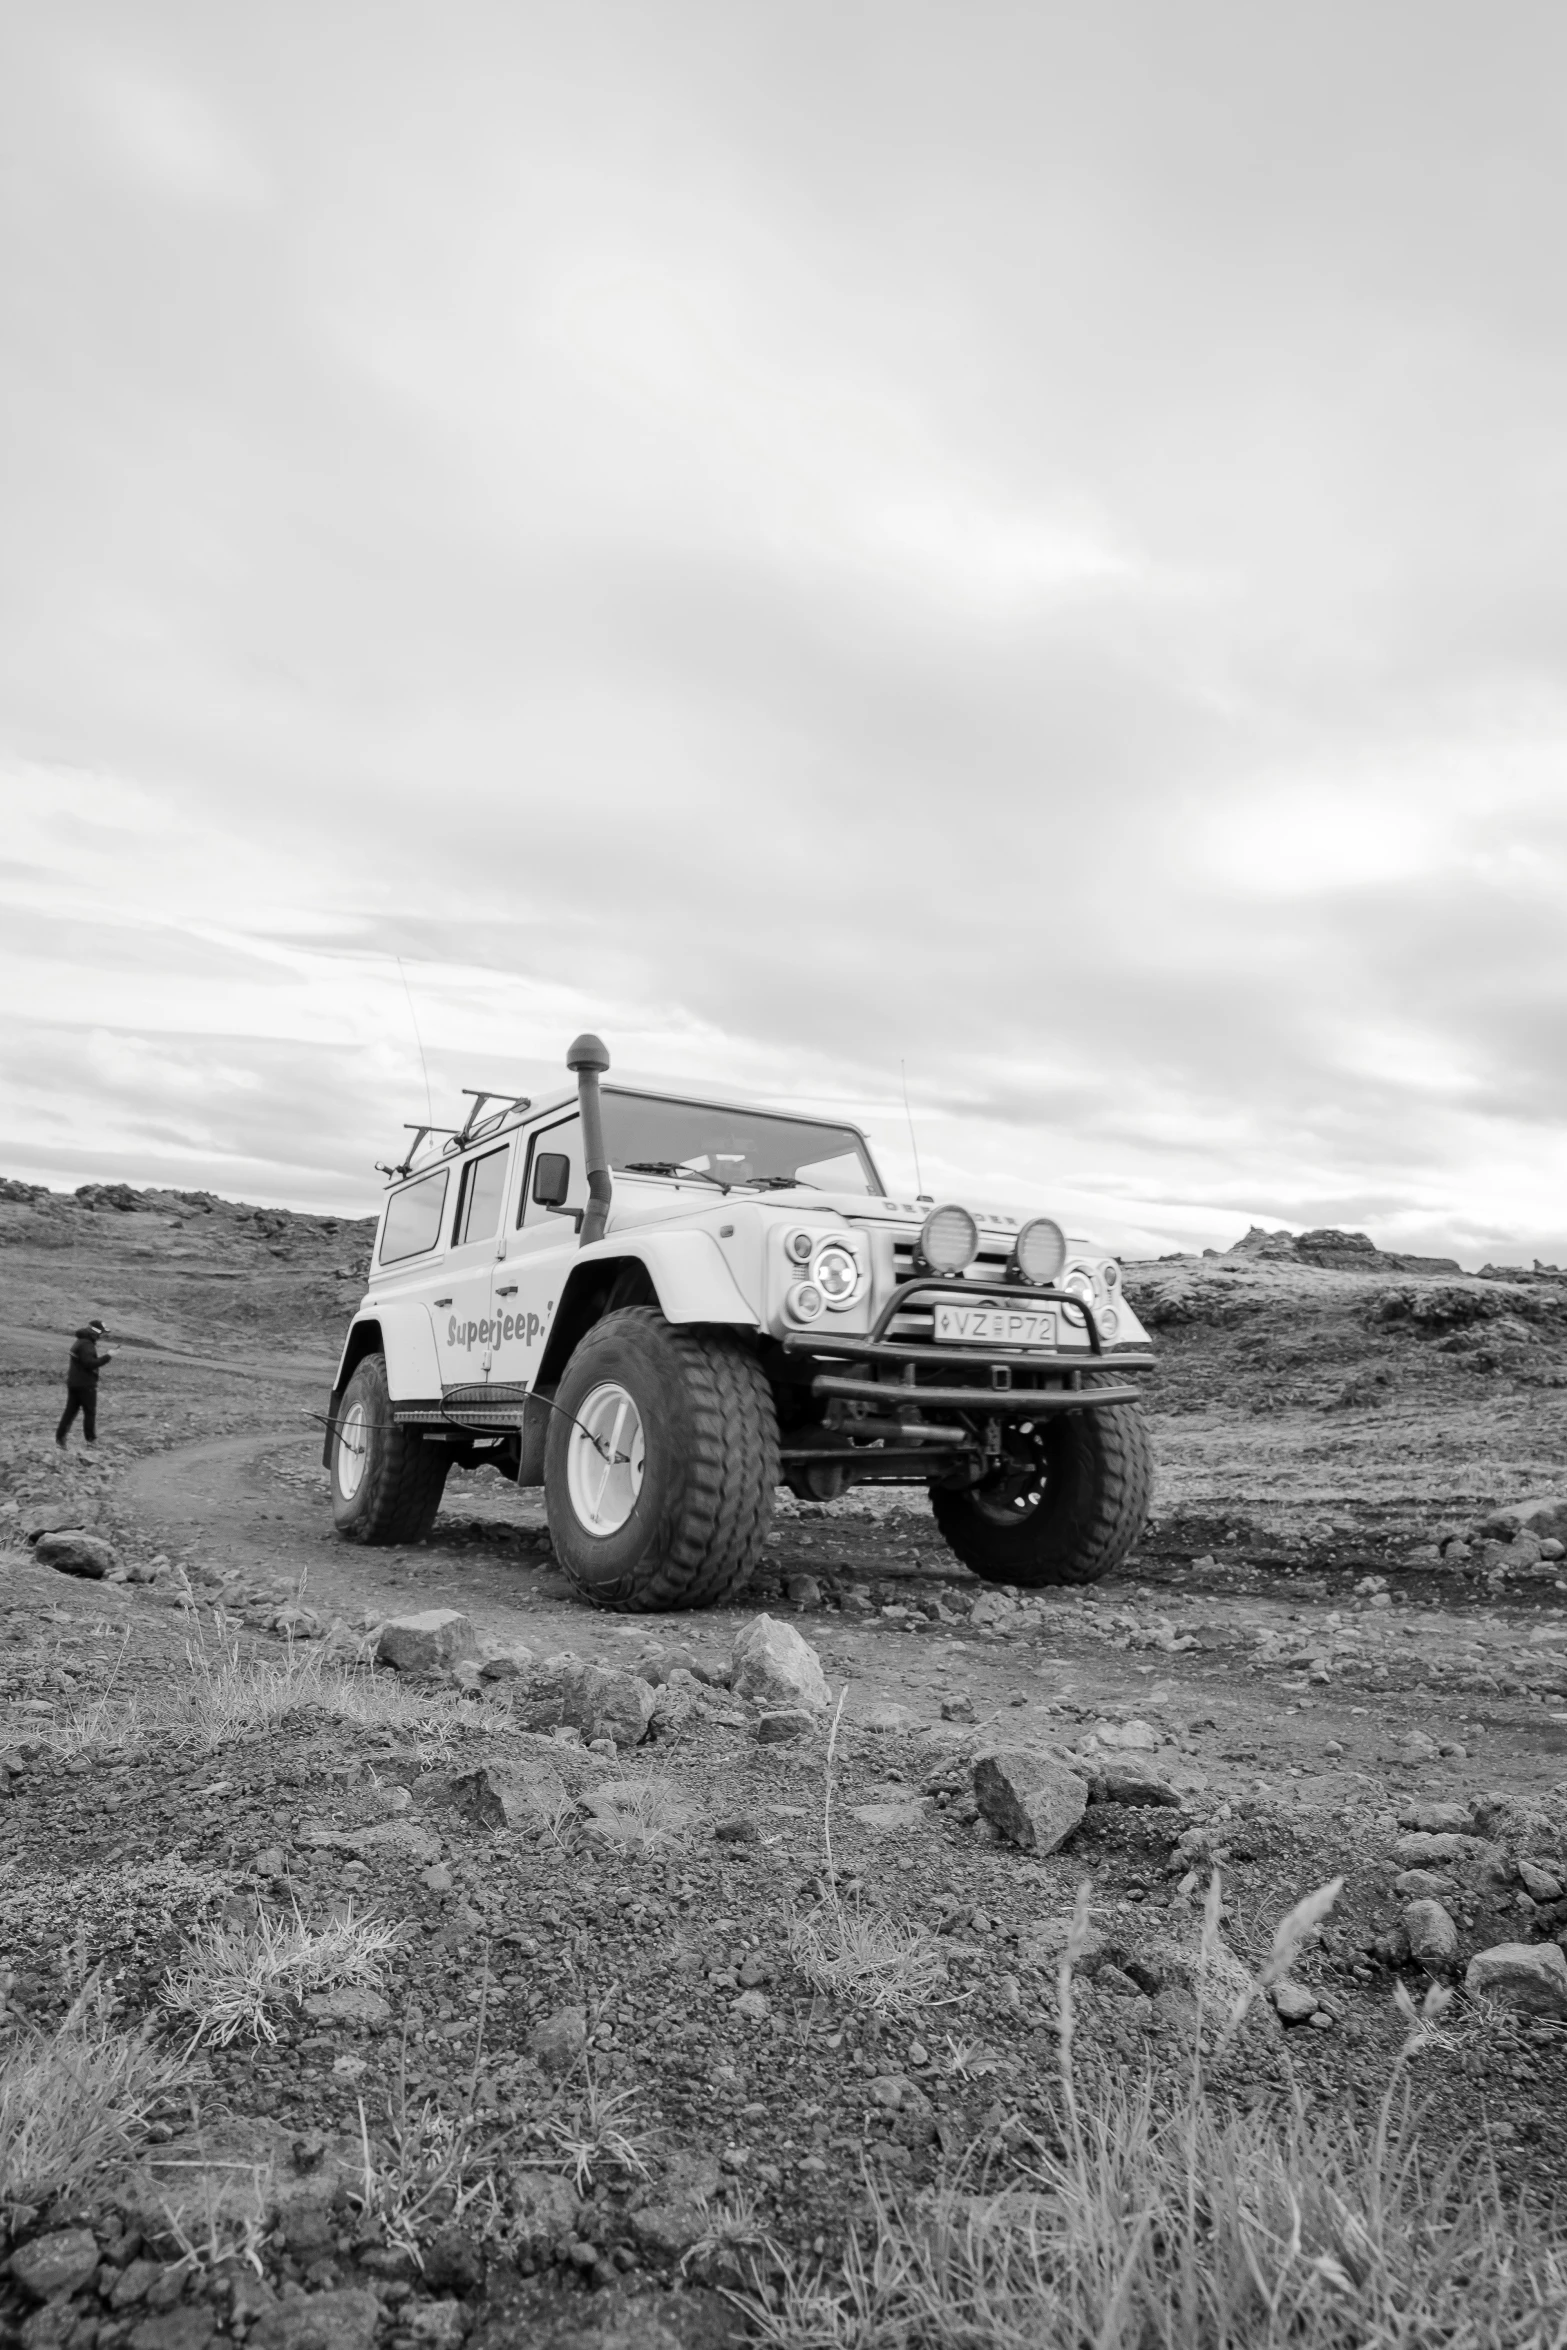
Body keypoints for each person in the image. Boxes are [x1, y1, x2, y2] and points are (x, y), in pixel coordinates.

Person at [56, 1320, 112, 1448]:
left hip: (74, 1383)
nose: (101, 1336)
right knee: (89, 1412)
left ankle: (60, 1438)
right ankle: (91, 1440)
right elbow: (90, 1363)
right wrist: (108, 1356)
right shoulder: (87, 1345)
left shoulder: (80, 1342)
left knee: (70, 1411)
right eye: (101, 1333)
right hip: (86, 1384)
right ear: (96, 1333)